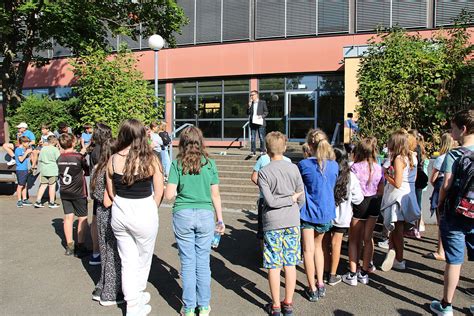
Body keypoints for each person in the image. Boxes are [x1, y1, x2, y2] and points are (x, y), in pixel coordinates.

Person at [164, 126, 225, 316]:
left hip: (183, 214)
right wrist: (220, 219)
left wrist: (169, 183)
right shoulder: (210, 163)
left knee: (188, 263)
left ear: (182, 142)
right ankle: (204, 305)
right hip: (206, 215)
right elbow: (215, 195)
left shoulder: (177, 163)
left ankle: (189, 307)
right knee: (203, 262)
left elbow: (169, 196)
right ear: (201, 141)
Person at [106, 119, 163, 316]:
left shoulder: (112, 159)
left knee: (127, 261)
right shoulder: (151, 158)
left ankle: (132, 304)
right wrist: (150, 208)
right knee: (143, 259)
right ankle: (136, 298)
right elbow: (159, 190)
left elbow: (111, 192)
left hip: (120, 212)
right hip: (144, 211)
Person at [430, 109, 474, 316]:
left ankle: (446, 306)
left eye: (453, 127)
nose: (451, 131)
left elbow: (445, 185)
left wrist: (439, 203)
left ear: (463, 129)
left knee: (454, 261)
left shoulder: (455, 154)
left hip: (456, 213)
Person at [257, 131, 305, 316]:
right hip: (292, 220)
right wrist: (291, 201)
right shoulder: (293, 168)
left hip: (273, 222)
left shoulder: (264, 172)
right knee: (290, 263)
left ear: (267, 150)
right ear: (284, 148)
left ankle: (275, 305)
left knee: (274, 264)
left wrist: (286, 200)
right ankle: (289, 303)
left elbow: (270, 202)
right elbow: (301, 197)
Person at [298, 129, 339, 302]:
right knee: (319, 248)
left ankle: (312, 288)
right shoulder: (334, 165)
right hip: (326, 212)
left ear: (310, 145)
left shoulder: (304, 164)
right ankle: (320, 283)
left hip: (308, 212)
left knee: (308, 250)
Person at [343, 137, 383, 285]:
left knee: (353, 239)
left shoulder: (354, 167)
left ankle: (353, 273)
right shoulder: (379, 168)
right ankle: (365, 271)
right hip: (374, 202)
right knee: (368, 238)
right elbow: (381, 189)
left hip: (359, 203)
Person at [380, 129, 420, 272]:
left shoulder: (398, 159)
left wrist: (385, 175)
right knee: (399, 229)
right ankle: (393, 251)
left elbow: (396, 183)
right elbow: (413, 179)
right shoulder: (412, 157)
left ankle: (399, 258)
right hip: (408, 195)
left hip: (396, 196)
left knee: (395, 229)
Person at [91, 135, 124, 307]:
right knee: (113, 253)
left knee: (105, 252)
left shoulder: (97, 168)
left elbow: (94, 194)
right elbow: (108, 198)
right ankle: (111, 293)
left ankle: (101, 287)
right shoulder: (110, 170)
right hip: (111, 213)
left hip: (100, 213)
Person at [324, 145, 363, 286]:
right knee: (336, 244)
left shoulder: (327, 172)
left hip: (327, 213)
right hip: (343, 217)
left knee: (324, 243)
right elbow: (359, 198)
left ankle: (325, 270)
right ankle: (332, 275)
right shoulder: (351, 176)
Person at [57, 133, 90, 258]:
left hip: (65, 191)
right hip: (78, 191)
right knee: (82, 217)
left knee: (68, 217)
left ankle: (69, 245)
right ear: (73, 142)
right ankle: (81, 246)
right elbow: (86, 170)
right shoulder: (78, 157)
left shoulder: (59, 158)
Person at [423, 133, 455, 261]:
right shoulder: (458, 156)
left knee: (441, 221)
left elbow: (433, 179)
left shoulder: (441, 158)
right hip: (454, 192)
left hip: (441, 189)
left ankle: (440, 251)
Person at [251, 152, 292, 247]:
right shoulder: (288, 161)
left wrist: (265, 188)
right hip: (284, 199)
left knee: (263, 230)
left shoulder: (262, 159)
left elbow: (254, 177)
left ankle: (263, 258)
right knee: (282, 228)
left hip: (264, 198)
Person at [33, 135, 60, 208]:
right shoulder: (55, 149)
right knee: (52, 185)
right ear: (55, 141)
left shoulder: (43, 149)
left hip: (44, 169)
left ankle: (38, 201)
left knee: (43, 185)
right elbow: (58, 159)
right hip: (53, 169)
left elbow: (40, 159)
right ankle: (51, 202)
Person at [247, 90, 268, 156]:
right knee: (253, 138)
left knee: (261, 137)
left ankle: (262, 151)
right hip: (253, 123)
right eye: (250, 95)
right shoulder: (251, 103)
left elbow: (266, 112)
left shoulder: (262, 102)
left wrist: (261, 116)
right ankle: (253, 152)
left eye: (252, 95)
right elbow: (247, 113)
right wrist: (249, 106)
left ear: (256, 95)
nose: (251, 96)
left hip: (260, 122)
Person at [14, 136, 33, 207]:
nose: (28, 143)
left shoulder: (24, 149)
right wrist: (27, 152)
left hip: (25, 169)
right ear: (23, 142)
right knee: (20, 185)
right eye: (27, 142)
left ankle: (24, 199)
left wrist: (29, 153)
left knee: (25, 185)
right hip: (20, 170)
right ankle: (19, 200)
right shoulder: (18, 150)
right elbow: (21, 159)